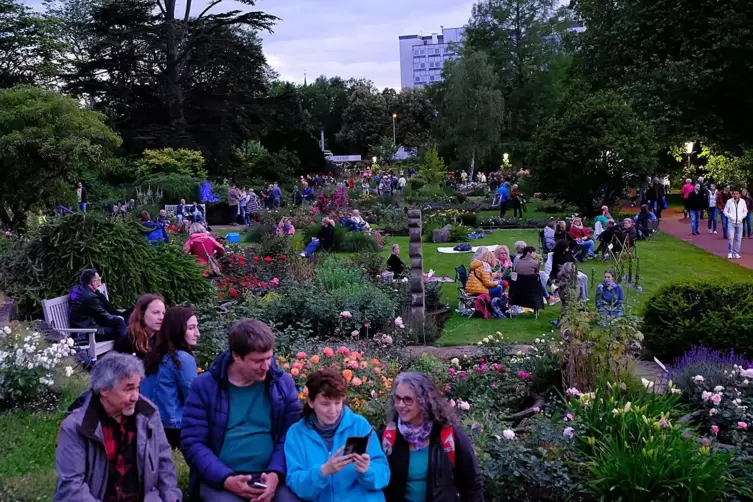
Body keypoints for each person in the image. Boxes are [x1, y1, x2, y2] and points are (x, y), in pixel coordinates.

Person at [181, 319, 302, 502]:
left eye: (269, 358)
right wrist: (226, 479)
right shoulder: (206, 386)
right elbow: (192, 443)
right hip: (221, 478)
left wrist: (276, 474)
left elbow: (291, 434)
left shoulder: (281, 384)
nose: (266, 366)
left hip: (271, 475)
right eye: (258, 361)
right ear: (237, 356)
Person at [53, 353, 182, 502]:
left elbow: (164, 464)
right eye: (128, 389)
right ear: (104, 390)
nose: (135, 396)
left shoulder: (149, 414)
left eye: (137, 387)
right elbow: (71, 490)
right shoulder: (75, 427)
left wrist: (171, 496)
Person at [284, 369, 389, 502]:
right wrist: (323, 472)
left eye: (337, 402)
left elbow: (383, 475)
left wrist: (367, 471)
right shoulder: (296, 433)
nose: (333, 411)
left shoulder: (359, 425)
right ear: (311, 402)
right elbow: (296, 483)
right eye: (325, 404)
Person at [381, 372, 483, 502]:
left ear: (423, 401)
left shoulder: (449, 435)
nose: (400, 405)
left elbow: (472, 483)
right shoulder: (389, 438)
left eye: (408, 399)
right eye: (397, 398)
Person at [141, 307, 199, 449]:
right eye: (191, 328)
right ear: (177, 330)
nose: (197, 333)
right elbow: (194, 398)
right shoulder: (182, 359)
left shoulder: (154, 354)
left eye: (197, 327)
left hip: (146, 422)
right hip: (172, 427)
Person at [69, 269, 127, 342]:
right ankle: (126, 346)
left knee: (119, 325)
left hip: (81, 329)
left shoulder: (76, 290)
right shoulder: (90, 297)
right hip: (88, 333)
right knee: (119, 324)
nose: (100, 284)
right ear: (92, 282)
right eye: (98, 280)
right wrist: (119, 318)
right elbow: (105, 316)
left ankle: (126, 344)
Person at [113, 294, 166, 360]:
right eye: (156, 312)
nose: (161, 317)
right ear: (141, 314)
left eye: (163, 313)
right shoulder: (125, 344)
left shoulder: (164, 339)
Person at [724, 188, 748, 259]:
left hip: (740, 222)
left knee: (739, 239)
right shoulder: (729, 201)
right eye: (734, 194)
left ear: (739, 195)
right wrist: (730, 216)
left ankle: (736, 253)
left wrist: (742, 216)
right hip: (731, 222)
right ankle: (730, 252)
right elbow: (725, 211)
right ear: (732, 194)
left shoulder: (743, 201)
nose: (735, 195)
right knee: (731, 238)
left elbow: (745, 210)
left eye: (737, 194)